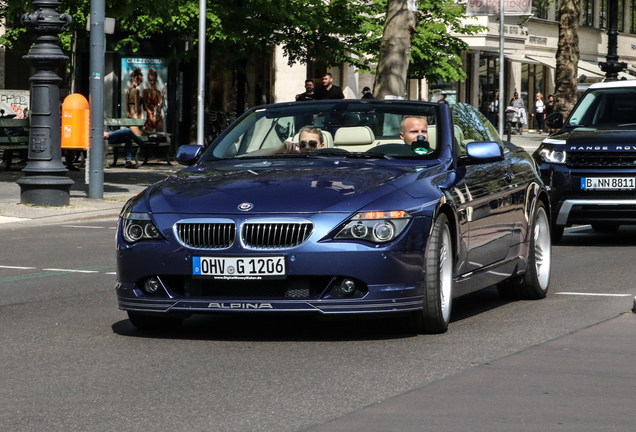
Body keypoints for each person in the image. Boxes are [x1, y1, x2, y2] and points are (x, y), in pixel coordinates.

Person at [245, 126, 325, 156]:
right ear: (298, 145)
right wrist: (280, 149)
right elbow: (248, 158)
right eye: (303, 143)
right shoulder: (291, 159)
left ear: (322, 146)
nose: (307, 147)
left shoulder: (330, 162)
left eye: (312, 143)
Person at [143, 68, 164, 133]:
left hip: (157, 119)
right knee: (147, 139)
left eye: (154, 80)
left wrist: (163, 95)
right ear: (148, 80)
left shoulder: (158, 92)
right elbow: (144, 106)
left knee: (160, 138)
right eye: (151, 80)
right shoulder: (145, 91)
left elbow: (160, 105)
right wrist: (151, 112)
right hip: (150, 119)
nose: (152, 82)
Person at [126, 67, 143, 136]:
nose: (139, 82)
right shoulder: (136, 91)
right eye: (138, 79)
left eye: (140, 80)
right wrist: (138, 121)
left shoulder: (127, 91)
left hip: (130, 118)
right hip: (135, 119)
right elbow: (136, 106)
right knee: (140, 138)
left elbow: (128, 109)